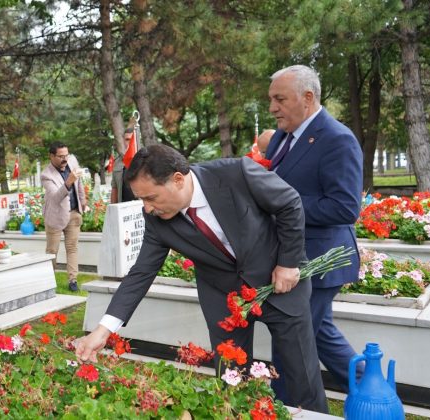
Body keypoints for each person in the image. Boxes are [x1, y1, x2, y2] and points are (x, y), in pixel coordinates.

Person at [75, 144, 328, 413]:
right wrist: (103, 331)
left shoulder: (237, 173)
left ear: (178, 179)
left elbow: (289, 203)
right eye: (141, 200)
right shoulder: (156, 219)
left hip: (280, 286)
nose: (147, 209)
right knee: (232, 384)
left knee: (302, 376)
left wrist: (288, 264)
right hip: (223, 300)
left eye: (150, 198)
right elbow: (141, 273)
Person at [265, 65, 363, 400]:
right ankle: (370, 388)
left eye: (280, 99)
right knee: (318, 333)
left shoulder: (338, 139)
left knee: (291, 339)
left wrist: (284, 205)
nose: (272, 108)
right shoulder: (281, 136)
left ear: (308, 98)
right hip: (292, 255)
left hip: (319, 261)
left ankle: (290, 406)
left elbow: (345, 208)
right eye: (271, 99)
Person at [41, 142, 87, 292]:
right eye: (60, 156)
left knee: (72, 248)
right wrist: (68, 181)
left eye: (66, 155)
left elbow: (79, 183)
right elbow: (55, 198)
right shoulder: (46, 175)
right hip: (55, 216)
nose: (64, 159)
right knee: (52, 251)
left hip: (74, 213)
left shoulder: (72, 161)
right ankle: (49, 281)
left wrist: (82, 200)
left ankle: (73, 280)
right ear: (52, 156)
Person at [110, 128, 137, 204]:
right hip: (124, 207)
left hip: (142, 206)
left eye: (132, 139)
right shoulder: (118, 162)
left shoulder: (146, 159)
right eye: (127, 139)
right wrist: (113, 210)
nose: (130, 142)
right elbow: (114, 188)